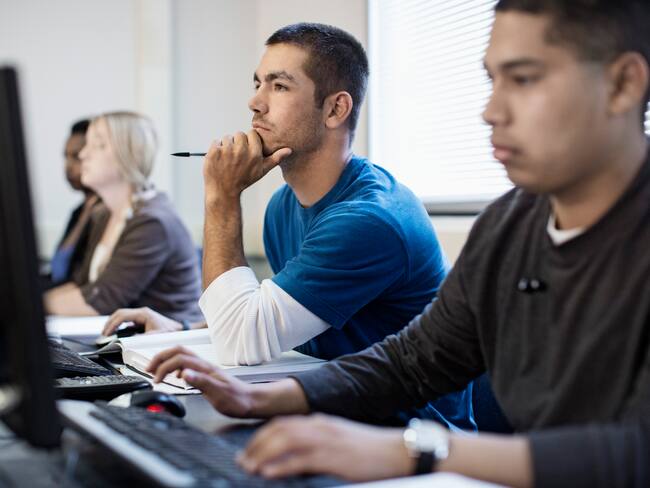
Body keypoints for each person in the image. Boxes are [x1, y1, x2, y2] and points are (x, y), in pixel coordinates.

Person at [149, 1, 650, 486]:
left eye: (524, 79)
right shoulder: (510, 222)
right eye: (492, 80)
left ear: (623, 84)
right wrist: (263, 399)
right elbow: (414, 359)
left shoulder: (376, 215)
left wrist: (409, 449)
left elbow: (634, 453)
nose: (491, 110)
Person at [108, 23, 490, 431]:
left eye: (279, 86)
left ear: (335, 109)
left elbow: (242, 342)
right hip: (327, 408)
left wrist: (221, 197)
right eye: (258, 83)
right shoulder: (283, 206)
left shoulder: (368, 220)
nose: (254, 102)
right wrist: (183, 329)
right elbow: (286, 316)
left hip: (403, 433)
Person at [44, 111, 202, 323]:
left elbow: (101, 300)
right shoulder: (103, 215)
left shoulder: (152, 222)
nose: (83, 155)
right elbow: (82, 286)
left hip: (164, 346)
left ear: (128, 155)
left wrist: (28, 305)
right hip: (124, 340)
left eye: (98, 145)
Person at [45, 118, 100, 287]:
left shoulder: (108, 213)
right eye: (66, 156)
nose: (68, 167)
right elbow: (57, 270)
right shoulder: (78, 212)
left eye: (76, 156)